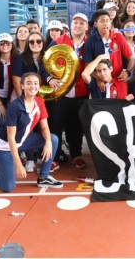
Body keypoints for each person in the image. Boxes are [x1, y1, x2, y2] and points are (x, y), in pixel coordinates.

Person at [0, 72, 63, 192]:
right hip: (5, 147)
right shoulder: (15, 107)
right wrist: (19, 164)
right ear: (22, 86)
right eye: (29, 83)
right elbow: (11, 138)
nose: (33, 86)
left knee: (53, 139)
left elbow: (45, 127)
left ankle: (44, 177)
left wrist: (47, 142)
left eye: (36, 83)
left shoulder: (39, 102)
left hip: (22, 142)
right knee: (8, 187)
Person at [46, 13, 89, 169]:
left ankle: (76, 155)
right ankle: (55, 157)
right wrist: (50, 79)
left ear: (86, 26)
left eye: (81, 23)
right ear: (70, 25)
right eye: (75, 22)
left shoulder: (89, 43)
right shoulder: (58, 41)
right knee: (55, 124)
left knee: (76, 126)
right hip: (59, 93)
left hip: (80, 93)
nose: (78, 25)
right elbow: (45, 65)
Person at [82, 9, 134, 81]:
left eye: (107, 21)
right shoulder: (90, 41)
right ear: (96, 24)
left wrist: (127, 72)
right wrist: (98, 79)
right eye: (102, 21)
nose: (105, 23)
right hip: (99, 83)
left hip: (118, 80)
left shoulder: (119, 36)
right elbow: (87, 65)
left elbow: (131, 59)